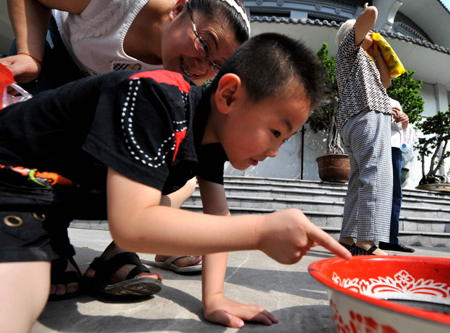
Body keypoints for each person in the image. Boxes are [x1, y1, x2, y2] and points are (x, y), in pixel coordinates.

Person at [0, 32, 351, 332]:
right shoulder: (156, 97)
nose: (274, 151)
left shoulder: (212, 137)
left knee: (180, 182)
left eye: (284, 140)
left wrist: (214, 299)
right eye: (276, 131)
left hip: (61, 193)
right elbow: (132, 223)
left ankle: (82, 256)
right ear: (228, 96)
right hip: (14, 180)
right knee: (17, 305)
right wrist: (259, 232)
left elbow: (218, 215)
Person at [0, 0, 251, 299]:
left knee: (172, 164)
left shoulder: (180, 95)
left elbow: (214, 208)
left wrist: (214, 296)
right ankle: (48, 238)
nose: (201, 68)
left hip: (105, 108)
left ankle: (118, 253)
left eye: (216, 66)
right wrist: (30, 54)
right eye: (205, 46)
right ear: (179, 9)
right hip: (54, 57)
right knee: (45, 150)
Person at [335, 3, 393, 256]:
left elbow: (386, 82)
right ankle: (367, 243)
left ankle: (348, 239)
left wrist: (377, 52)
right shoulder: (348, 51)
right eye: (367, 33)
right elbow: (371, 16)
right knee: (377, 175)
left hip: (356, 120)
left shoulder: (363, 61)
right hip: (367, 115)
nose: (372, 34)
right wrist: (366, 12)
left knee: (359, 179)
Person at [378, 98, 415, 252]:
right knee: (373, 190)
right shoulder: (369, 93)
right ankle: (366, 238)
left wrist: (405, 123)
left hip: (394, 148)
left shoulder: (394, 101)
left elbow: (401, 131)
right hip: (376, 144)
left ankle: (390, 239)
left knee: (395, 194)